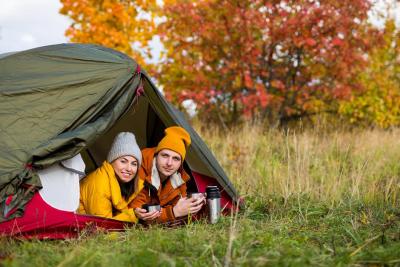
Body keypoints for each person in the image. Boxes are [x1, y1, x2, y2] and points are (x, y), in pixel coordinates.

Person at [78, 132, 160, 223]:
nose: (129, 168)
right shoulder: (99, 184)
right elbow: (102, 227)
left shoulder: (122, 182)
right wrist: (133, 215)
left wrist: (139, 213)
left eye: (134, 164)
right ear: (112, 161)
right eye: (123, 161)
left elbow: (119, 212)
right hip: (79, 229)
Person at [130, 126, 205, 224]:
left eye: (176, 159)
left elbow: (180, 209)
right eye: (165, 155)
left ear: (180, 163)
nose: (169, 163)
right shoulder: (139, 168)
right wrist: (173, 212)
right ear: (156, 156)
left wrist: (197, 205)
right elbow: (141, 216)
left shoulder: (180, 178)